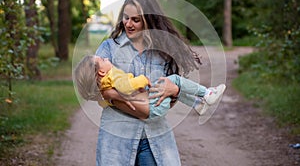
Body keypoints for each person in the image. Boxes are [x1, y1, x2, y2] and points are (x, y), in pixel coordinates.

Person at [85, 0, 224, 165]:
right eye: (126, 17)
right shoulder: (109, 48)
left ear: (149, 21)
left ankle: (202, 99)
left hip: (154, 138)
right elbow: (96, 89)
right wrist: (119, 98)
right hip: (116, 138)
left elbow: (166, 104)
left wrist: (175, 90)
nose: (128, 24)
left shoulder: (163, 51)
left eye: (135, 20)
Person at [74, 54, 226, 119]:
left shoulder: (106, 91)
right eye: (102, 59)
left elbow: (103, 100)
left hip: (154, 109)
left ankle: (198, 104)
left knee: (171, 85)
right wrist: (142, 80)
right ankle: (207, 93)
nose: (107, 58)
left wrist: (108, 95)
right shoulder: (113, 77)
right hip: (154, 106)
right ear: (101, 72)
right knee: (174, 79)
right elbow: (127, 86)